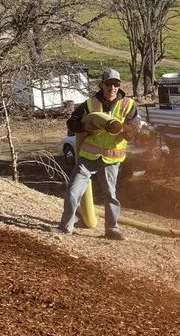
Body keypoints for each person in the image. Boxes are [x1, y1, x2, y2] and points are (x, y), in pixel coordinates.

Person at [59, 68, 142, 240]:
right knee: (73, 192)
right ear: (101, 85)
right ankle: (65, 228)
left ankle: (112, 230)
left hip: (112, 159)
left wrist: (123, 129)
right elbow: (71, 123)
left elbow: (135, 129)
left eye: (116, 84)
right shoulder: (90, 104)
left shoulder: (128, 104)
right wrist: (85, 126)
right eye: (109, 84)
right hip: (88, 157)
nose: (112, 88)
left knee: (110, 196)